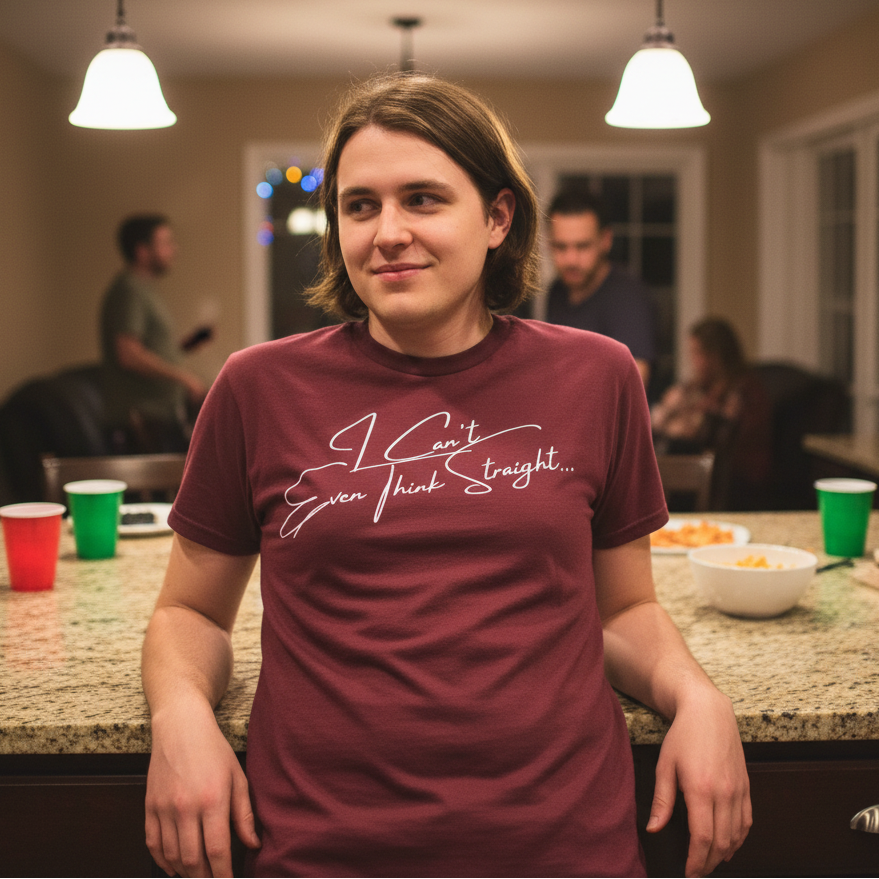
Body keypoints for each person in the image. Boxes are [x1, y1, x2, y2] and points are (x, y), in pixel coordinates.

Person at [142, 74, 750, 879]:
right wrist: (180, 715)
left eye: (423, 199)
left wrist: (699, 698)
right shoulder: (257, 387)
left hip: (564, 845)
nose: (387, 232)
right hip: (323, 849)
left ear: (497, 217)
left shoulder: (596, 376)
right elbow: (190, 611)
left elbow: (626, 605)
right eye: (359, 206)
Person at [100, 214, 212, 452]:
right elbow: (128, 354)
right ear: (142, 251)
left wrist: (191, 344)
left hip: (160, 418)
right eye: (166, 243)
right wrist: (183, 378)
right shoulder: (129, 289)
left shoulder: (143, 289)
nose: (174, 249)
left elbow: (154, 350)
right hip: (140, 422)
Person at [652, 317, 772, 509]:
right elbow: (660, 422)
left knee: (675, 448)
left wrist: (683, 423)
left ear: (716, 356)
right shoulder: (699, 386)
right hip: (698, 464)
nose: (694, 361)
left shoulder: (745, 390)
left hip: (734, 475)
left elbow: (714, 435)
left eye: (697, 353)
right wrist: (670, 409)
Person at [543, 188, 655, 386]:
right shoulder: (556, 292)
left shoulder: (627, 296)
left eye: (582, 246)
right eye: (561, 247)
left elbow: (635, 381)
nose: (571, 259)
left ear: (606, 240)